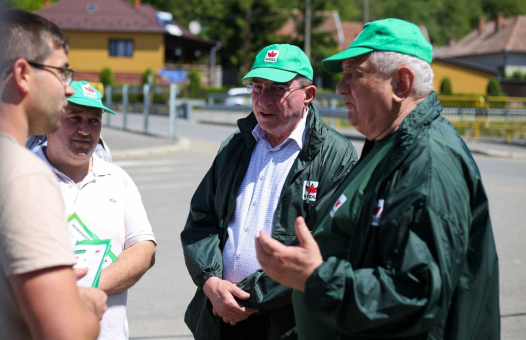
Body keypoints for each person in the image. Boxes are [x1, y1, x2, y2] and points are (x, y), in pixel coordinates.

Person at [255, 18, 500, 339]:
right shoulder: (389, 144)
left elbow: (414, 295)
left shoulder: (427, 162)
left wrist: (315, 278)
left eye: (354, 74)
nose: (341, 87)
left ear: (401, 83)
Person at [181, 44, 358, 340]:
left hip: (285, 321)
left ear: (309, 95)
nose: (263, 99)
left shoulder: (335, 156)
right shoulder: (237, 145)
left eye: (277, 89)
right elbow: (201, 221)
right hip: (218, 313)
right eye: (257, 87)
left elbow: (327, 246)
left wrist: (248, 296)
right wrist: (210, 281)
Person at [0, 10, 106, 339]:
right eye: (61, 72)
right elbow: (65, 333)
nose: (69, 88)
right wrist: (88, 306)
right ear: (22, 74)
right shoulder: (23, 174)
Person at [33, 80, 157, 340]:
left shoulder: (117, 178)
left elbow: (144, 249)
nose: (85, 130)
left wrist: (88, 289)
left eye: (94, 121)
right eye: (74, 118)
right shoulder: (21, 176)